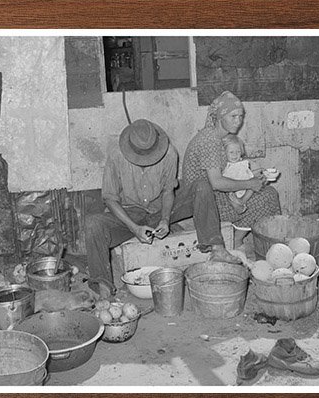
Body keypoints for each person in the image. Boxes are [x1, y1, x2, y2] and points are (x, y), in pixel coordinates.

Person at [84, 117, 238, 296]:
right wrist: (134, 228)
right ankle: (103, 286)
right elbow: (110, 199)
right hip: (130, 214)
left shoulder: (169, 153)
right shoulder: (116, 156)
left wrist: (165, 219)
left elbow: (167, 192)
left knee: (202, 185)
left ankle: (216, 248)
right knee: (92, 224)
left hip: (161, 210)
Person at [182, 90, 281, 228]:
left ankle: (240, 237)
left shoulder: (217, 137)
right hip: (208, 204)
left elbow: (224, 172)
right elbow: (216, 183)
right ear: (220, 117)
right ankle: (241, 239)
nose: (238, 121)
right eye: (233, 116)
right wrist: (249, 183)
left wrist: (252, 175)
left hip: (215, 196)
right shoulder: (210, 140)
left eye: (241, 116)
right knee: (269, 195)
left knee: (262, 189)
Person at [221, 133, 255, 215]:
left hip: (245, 188)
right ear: (224, 153)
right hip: (232, 190)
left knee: (253, 185)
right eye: (231, 152)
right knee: (227, 193)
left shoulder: (242, 164)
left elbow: (248, 176)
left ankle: (242, 200)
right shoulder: (225, 166)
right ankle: (236, 205)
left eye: (238, 152)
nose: (235, 155)